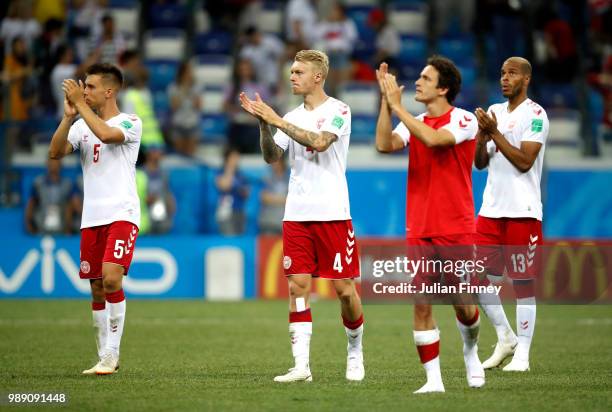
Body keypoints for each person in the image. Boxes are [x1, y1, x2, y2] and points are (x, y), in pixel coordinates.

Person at [240, 49, 365, 382]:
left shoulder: (340, 110)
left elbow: (322, 142)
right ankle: (301, 366)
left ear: (317, 76)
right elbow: (272, 157)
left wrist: (278, 120)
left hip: (334, 214)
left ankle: (354, 349)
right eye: (291, 71)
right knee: (297, 287)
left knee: (344, 290)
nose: (291, 76)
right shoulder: (291, 114)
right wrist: (265, 126)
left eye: (298, 72)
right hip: (296, 213)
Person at [374, 57, 484, 393]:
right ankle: (433, 381)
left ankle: (471, 350)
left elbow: (437, 141)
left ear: (444, 88)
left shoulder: (464, 119)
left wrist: (399, 108)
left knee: (462, 301)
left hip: (456, 225)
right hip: (419, 226)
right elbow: (384, 145)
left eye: (425, 77)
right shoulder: (413, 122)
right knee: (422, 302)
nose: (417, 82)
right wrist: (386, 104)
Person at [48, 63, 142, 375]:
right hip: (92, 218)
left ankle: (111, 355)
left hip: (122, 214)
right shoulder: (79, 125)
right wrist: (67, 117)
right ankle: (103, 357)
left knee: (113, 278)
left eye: (89, 87)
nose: (84, 91)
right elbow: (56, 152)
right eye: (83, 87)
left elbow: (105, 133)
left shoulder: (130, 123)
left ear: (109, 91)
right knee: (97, 288)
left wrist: (79, 106)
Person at [473, 57, 549, 372]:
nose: (505, 78)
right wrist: (482, 135)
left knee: (522, 284)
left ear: (526, 79)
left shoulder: (536, 115)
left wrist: (496, 134)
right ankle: (506, 337)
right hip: (490, 211)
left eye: (512, 73)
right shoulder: (494, 112)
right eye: (502, 73)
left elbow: (524, 161)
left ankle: (523, 355)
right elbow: (480, 163)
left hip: (523, 212)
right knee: (478, 281)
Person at [24, 158, 74, 235]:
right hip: (41, 227)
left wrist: (68, 227)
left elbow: (69, 207)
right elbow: (31, 204)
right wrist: (29, 224)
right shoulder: (38, 183)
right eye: (51, 161)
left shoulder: (67, 184)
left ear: (61, 164)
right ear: (47, 163)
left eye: (56, 161)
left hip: (61, 227)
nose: (54, 164)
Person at [167, 60, 201, 157]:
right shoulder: (173, 87)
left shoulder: (197, 87)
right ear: (182, 73)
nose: (189, 74)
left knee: (190, 155)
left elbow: (199, 106)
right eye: (187, 72)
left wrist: (190, 93)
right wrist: (183, 91)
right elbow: (174, 106)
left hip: (192, 124)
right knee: (179, 155)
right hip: (178, 124)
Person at [215, 147, 249, 236]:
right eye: (234, 157)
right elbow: (225, 186)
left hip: (239, 210)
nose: (236, 160)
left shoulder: (240, 175)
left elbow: (246, 193)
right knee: (228, 236)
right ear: (227, 158)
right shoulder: (220, 172)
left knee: (239, 237)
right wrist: (230, 170)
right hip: (226, 211)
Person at [258, 158, 289, 235]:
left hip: (285, 223)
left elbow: (293, 200)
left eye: (277, 162)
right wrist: (283, 199)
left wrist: (272, 198)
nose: (275, 165)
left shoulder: (290, 179)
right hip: (269, 222)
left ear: (282, 163)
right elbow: (263, 197)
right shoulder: (266, 179)